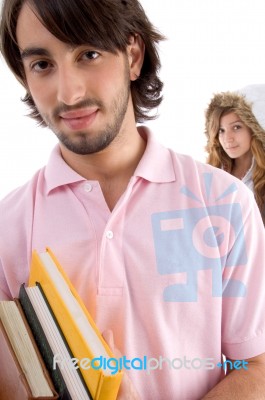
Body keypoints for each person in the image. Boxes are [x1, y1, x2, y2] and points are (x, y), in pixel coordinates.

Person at [1, 1, 265, 399]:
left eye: (88, 54)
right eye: (42, 64)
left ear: (133, 55)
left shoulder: (225, 204)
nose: (68, 92)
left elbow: (256, 366)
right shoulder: (9, 225)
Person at [204, 85, 265, 224]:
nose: (227, 138)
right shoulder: (210, 173)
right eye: (221, 130)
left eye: (236, 127)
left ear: (253, 130)